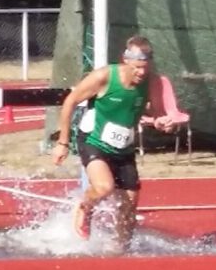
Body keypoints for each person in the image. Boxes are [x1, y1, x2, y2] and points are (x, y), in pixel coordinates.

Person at [52, 35, 175, 250]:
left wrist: (163, 122)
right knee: (104, 187)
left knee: (129, 206)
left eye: (145, 68)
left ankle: (119, 250)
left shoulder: (153, 82)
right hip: (93, 140)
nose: (141, 73)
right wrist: (63, 142)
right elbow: (70, 101)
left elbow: (157, 114)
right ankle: (84, 206)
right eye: (137, 68)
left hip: (124, 147)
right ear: (125, 60)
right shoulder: (104, 76)